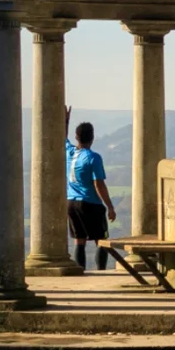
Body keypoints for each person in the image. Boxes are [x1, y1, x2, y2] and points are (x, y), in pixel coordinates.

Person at [65, 112, 117, 271]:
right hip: (91, 203)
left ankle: (80, 270)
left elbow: (62, 138)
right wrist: (110, 206)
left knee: (79, 240)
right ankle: (101, 272)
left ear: (76, 136)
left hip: (72, 203)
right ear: (92, 137)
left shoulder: (69, 152)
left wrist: (65, 122)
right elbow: (99, 184)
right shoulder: (93, 157)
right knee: (101, 239)